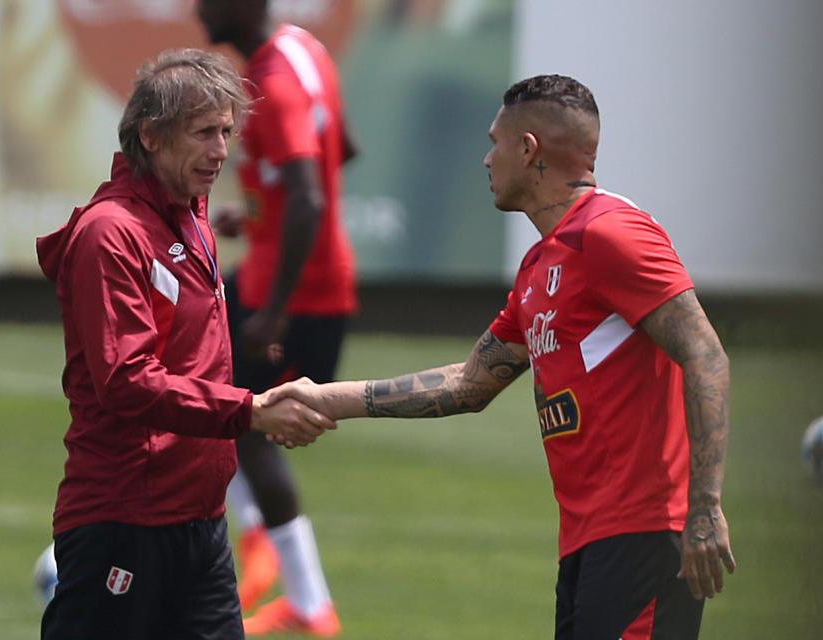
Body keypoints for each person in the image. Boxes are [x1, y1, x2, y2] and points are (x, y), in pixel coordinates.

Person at [265, 74, 736, 639]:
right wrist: (326, 398)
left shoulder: (612, 234)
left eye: (495, 143)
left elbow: (705, 353)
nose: (487, 160)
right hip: (589, 543)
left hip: (645, 539)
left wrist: (705, 507)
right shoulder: (540, 266)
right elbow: (468, 384)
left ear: (529, 149)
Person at [35, 48, 335, 640]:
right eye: (204, 133)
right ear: (150, 136)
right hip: (125, 521)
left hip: (201, 522)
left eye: (226, 132)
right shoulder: (110, 235)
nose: (222, 150)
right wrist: (247, 410)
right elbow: (126, 380)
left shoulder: (192, 215)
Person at [197, 1, 358, 636]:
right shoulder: (305, 50)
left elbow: (312, 194)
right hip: (284, 279)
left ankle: (305, 596)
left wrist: (276, 312)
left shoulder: (275, 79)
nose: (195, 8)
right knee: (201, 392)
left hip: (298, 298)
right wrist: (261, 213)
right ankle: (266, 550)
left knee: (243, 424)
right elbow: (339, 150)